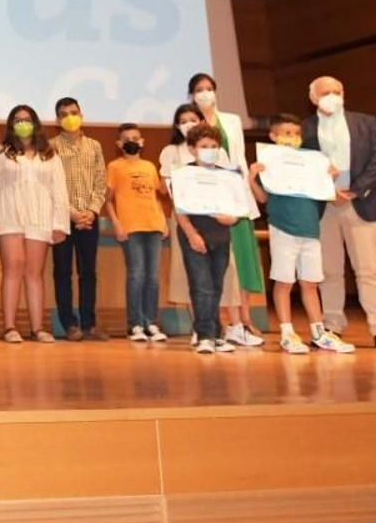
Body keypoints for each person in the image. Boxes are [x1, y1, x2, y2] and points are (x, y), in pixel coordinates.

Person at [303, 76, 376, 351]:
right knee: (329, 271)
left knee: (368, 270)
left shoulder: (366, 122)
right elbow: (301, 165)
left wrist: (355, 190)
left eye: (337, 91)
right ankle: (333, 325)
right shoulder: (305, 128)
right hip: (324, 207)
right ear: (313, 98)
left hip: (361, 203)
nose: (332, 96)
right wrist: (326, 190)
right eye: (326, 93)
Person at [247, 114, 355, 354]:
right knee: (284, 281)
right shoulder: (269, 163)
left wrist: (330, 178)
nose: (292, 138)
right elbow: (263, 198)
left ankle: (318, 332)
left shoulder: (312, 162)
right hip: (283, 227)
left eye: (295, 134)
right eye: (286, 133)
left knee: (310, 282)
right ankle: (287, 332)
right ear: (273, 136)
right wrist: (252, 178)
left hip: (310, 229)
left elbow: (327, 194)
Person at [0, 105, 69, 343]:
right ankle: (9, 327)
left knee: (34, 272)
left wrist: (60, 223)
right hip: (9, 216)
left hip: (40, 217)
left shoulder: (49, 154)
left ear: (36, 123)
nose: (22, 124)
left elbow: (59, 190)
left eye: (27, 120)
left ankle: (38, 328)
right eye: (17, 120)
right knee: (13, 267)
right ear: (10, 125)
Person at [188, 72, 264, 348]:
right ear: (192, 96)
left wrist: (245, 191)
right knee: (220, 265)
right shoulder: (191, 125)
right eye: (199, 90)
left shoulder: (231, 120)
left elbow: (239, 158)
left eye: (209, 88)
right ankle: (218, 324)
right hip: (209, 203)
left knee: (243, 261)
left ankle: (245, 319)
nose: (205, 93)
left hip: (237, 196)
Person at [173, 124, 242, 355]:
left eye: (213, 146)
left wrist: (232, 219)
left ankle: (215, 333)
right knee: (201, 286)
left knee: (216, 286)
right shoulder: (183, 174)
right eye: (204, 146)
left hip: (220, 236)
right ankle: (204, 335)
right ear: (192, 149)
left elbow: (236, 208)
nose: (210, 150)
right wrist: (192, 234)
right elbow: (180, 211)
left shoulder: (227, 175)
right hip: (195, 235)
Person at [49, 97, 107, 341]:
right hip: (63, 218)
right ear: (57, 120)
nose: (69, 117)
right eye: (63, 114)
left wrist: (91, 212)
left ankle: (89, 323)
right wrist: (72, 213)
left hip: (89, 219)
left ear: (81, 115)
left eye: (73, 112)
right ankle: (70, 324)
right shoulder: (50, 147)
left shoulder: (94, 146)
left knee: (88, 272)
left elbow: (100, 182)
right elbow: (51, 185)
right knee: (62, 271)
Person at [104, 123, 168, 343]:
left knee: (153, 277)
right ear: (119, 144)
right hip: (131, 227)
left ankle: (151, 322)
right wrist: (117, 224)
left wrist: (162, 219)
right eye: (126, 138)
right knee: (137, 274)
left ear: (142, 141)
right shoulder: (114, 166)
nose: (131, 140)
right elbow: (108, 200)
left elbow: (156, 195)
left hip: (153, 226)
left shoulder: (150, 166)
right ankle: (135, 324)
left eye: (135, 137)